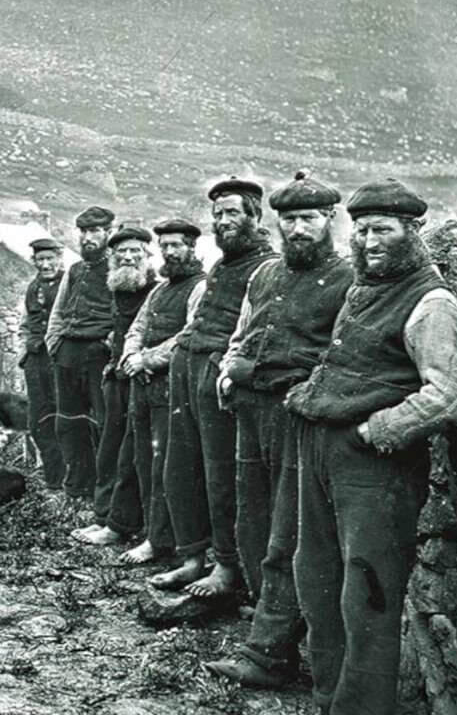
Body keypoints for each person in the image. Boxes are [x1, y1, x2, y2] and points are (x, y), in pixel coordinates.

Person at [284, 179, 457, 715]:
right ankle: (328, 700)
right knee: (315, 577)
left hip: (373, 464)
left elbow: (448, 393)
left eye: (383, 230)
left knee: (366, 597)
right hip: (323, 448)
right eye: (361, 230)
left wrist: (380, 430)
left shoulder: (431, 302)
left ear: (413, 233)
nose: (369, 241)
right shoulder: (363, 288)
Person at [205, 172, 353, 688]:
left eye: (308, 219)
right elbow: (243, 333)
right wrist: (230, 368)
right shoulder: (265, 274)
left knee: (288, 536)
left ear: (329, 220)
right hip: (252, 414)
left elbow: (338, 357)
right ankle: (267, 625)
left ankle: (271, 656)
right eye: (288, 220)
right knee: (254, 522)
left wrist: (264, 374)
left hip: (298, 417)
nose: (297, 229)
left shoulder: (349, 279)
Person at [151, 176, 278, 597]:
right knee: (178, 466)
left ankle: (226, 566)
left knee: (219, 473)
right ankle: (192, 558)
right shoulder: (222, 263)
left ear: (254, 217)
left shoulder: (267, 265)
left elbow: (254, 330)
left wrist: (225, 371)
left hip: (215, 374)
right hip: (187, 364)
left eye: (232, 213)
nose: (222, 222)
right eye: (217, 214)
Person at [80, 218, 206, 560]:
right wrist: (132, 354)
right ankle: (127, 527)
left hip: (171, 389)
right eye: (165, 246)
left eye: (176, 245)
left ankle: (159, 539)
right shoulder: (160, 290)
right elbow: (137, 327)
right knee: (134, 459)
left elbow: (189, 334)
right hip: (141, 387)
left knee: (163, 464)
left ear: (192, 248)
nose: (170, 252)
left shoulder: (200, 287)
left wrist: (147, 359)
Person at [73, 225, 156, 544]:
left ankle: (121, 524)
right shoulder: (118, 285)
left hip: (140, 377)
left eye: (135, 251)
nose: (128, 256)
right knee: (108, 449)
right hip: (116, 376)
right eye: (121, 251)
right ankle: (103, 515)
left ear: (147, 255)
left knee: (130, 453)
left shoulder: (154, 287)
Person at [44, 206, 114, 501]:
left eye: (95, 231)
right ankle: (75, 488)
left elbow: (125, 315)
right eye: (84, 231)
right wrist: (54, 343)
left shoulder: (119, 267)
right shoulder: (75, 269)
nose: (88, 238)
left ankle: (101, 492)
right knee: (68, 422)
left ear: (109, 232)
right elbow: (59, 310)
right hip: (68, 353)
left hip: (97, 354)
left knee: (101, 423)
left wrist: (108, 345)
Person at [18, 237, 65, 489]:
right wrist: (24, 355)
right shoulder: (32, 287)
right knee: (39, 421)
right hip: (36, 361)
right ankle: (52, 478)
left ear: (60, 259)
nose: (46, 264)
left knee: (66, 419)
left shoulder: (70, 284)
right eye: (40, 259)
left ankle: (70, 481)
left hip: (61, 359)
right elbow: (24, 325)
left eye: (50, 259)